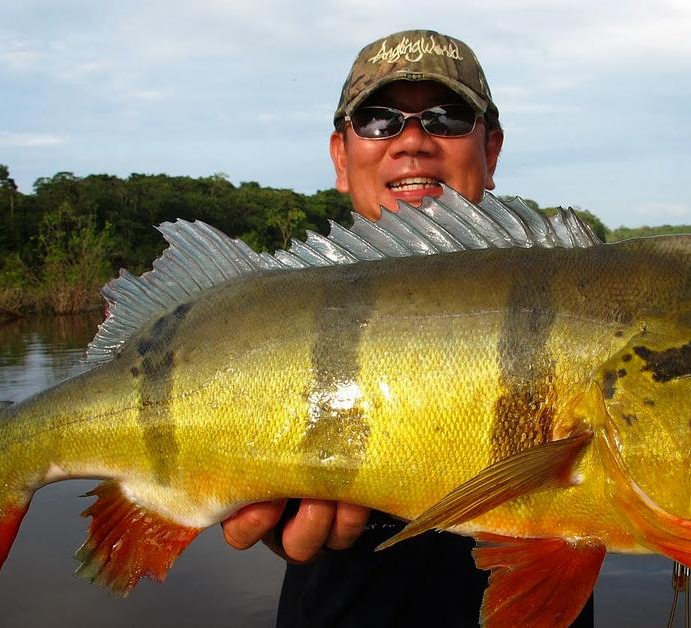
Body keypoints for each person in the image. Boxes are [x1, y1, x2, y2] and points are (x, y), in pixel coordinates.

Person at [220, 30, 593, 627]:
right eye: (378, 120)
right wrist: (245, 498)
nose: (413, 141)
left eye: (446, 118)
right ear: (342, 156)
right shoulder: (265, 317)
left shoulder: (571, 300)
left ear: (491, 150)